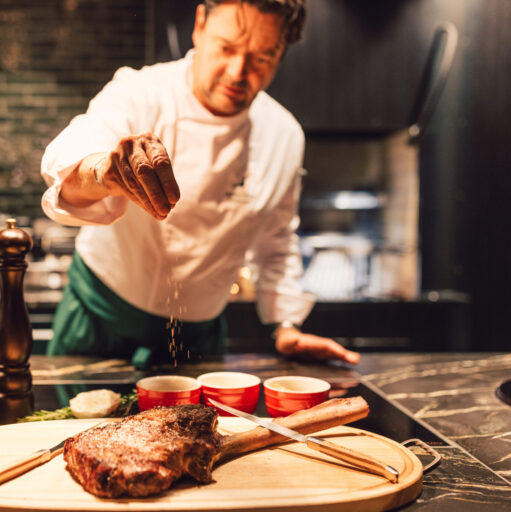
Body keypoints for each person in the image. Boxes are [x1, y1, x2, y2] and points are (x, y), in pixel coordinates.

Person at [40, 0, 360, 368]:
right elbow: (74, 154)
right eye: (227, 47)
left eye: (262, 57)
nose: (238, 72)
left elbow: (276, 241)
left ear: (282, 52)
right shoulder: (141, 92)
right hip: (99, 318)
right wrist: (105, 172)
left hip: (198, 337)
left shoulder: (283, 134)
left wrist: (286, 325)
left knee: (199, 428)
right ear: (200, 25)